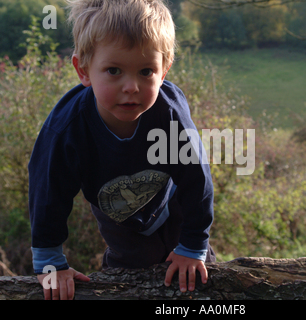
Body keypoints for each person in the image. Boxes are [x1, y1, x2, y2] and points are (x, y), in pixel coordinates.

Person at [29, 0, 215, 300]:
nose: (131, 86)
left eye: (146, 72)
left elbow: (198, 181)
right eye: (114, 70)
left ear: (164, 71)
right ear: (84, 70)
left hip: (175, 202)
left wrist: (193, 247)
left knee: (195, 276)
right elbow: (47, 191)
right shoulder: (66, 130)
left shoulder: (171, 118)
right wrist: (50, 261)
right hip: (116, 213)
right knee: (130, 274)